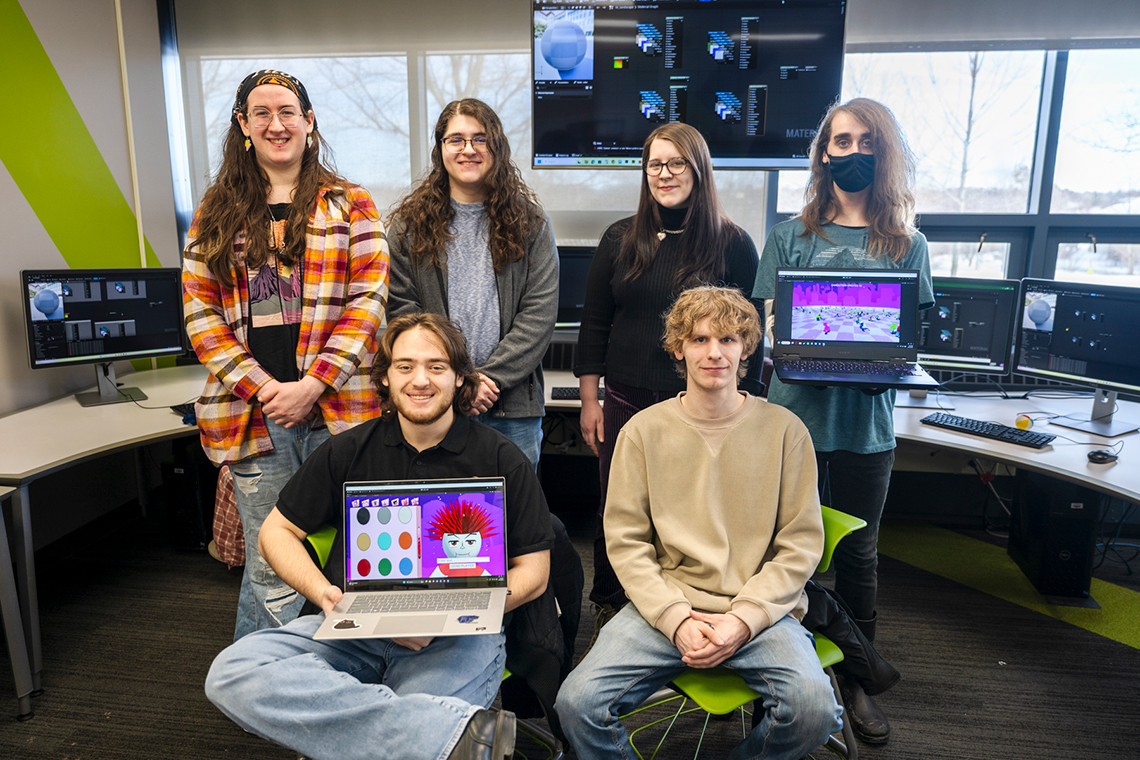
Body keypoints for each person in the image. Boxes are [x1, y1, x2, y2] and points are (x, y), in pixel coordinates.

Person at [204, 312, 554, 760]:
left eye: (437, 366)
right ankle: (445, 735)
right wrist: (325, 594)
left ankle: (400, 731)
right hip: (353, 623)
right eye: (405, 366)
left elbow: (536, 573)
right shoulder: (349, 448)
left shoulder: (501, 458)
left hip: (455, 635)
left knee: (414, 721)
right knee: (232, 671)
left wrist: (450, 613)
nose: (420, 380)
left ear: (460, 378)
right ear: (385, 378)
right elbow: (276, 532)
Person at [556, 286, 842, 760]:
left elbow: (799, 546)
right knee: (576, 703)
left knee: (813, 712)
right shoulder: (642, 431)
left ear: (746, 349)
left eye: (728, 340)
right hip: (669, 603)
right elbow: (626, 543)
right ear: (678, 348)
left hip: (760, 611)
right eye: (700, 339)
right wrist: (674, 619)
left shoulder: (786, 430)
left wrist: (743, 621)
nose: (714, 352)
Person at [752, 97, 934, 745]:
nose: (850, 152)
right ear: (822, 152)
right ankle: (778, 673)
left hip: (865, 431)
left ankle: (855, 679)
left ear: (881, 153)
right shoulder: (787, 235)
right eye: (839, 140)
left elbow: (908, 336)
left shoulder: (908, 243)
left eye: (864, 142)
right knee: (784, 554)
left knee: (858, 555)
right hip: (793, 422)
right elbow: (772, 329)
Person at [183, 69, 388, 641]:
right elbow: (202, 318)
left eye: (288, 112)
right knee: (272, 565)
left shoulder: (351, 204)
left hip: (341, 410)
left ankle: (327, 672)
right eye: (262, 113)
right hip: (254, 418)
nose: (277, 124)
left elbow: (368, 303)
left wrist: (313, 384)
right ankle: (273, 686)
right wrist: (267, 389)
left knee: (348, 553)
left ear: (309, 121)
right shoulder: (215, 213)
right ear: (244, 126)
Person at [574, 122, 761, 634]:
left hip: (700, 409)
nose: (665, 174)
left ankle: (692, 609)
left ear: (699, 172)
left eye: (677, 163)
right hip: (625, 400)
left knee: (691, 511)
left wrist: (745, 409)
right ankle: (611, 609)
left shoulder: (733, 244)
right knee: (620, 509)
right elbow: (595, 322)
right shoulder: (620, 238)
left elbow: (748, 335)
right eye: (655, 164)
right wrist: (590, 401)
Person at [388, 99, 558, 468]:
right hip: (433, 401)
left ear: (497, 148)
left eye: (480, 139)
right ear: (441, 150)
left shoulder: (530, 224)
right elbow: (402, 312)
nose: (468, 149)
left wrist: (487, 379)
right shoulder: (408, 226)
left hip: (511, 407)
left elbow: (539, 314)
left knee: (514, 520)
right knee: (438, 518)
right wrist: (453, 380)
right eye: (456, 140)